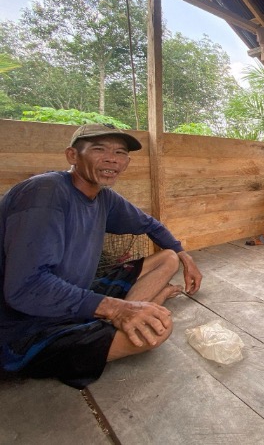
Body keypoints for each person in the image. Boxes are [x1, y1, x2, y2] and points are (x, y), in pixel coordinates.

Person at [0, 123, 203, 388]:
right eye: (99, 149)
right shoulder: (44, 193)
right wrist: (116, 308)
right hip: (24, 326)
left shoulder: (105, 198)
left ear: (126, 162)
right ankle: (143, 305)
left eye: (120, 153)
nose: (112, 159)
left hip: (74, 296)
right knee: (156, 331)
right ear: (73, 155)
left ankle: (133, 311)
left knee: (168, 258)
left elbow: (151, 225)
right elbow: (26, 288)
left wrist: (185, 257)